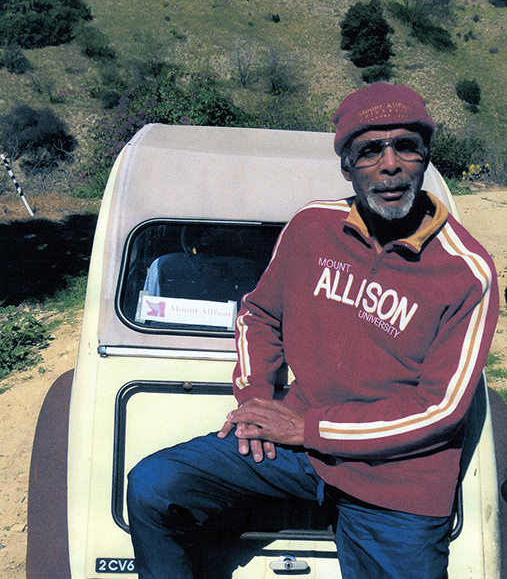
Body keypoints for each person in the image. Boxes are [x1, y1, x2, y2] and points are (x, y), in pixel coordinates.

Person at [127, 82, 499, 579]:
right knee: (154, 486)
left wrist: (307, 428)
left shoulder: (467, 271)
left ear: (426, 157)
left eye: (406, 145)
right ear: (346, 166)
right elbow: (259, 314)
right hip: (298, 451)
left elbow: (441, 411)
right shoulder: (311, 227)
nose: (390, 164)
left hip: (396, 480)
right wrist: (254, 400)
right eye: (369, 150)